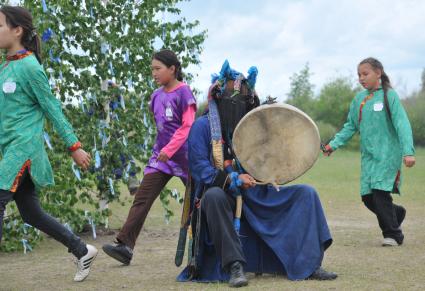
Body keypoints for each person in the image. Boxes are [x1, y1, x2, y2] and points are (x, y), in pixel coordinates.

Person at [177, 60, 337, 288]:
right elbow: (199, 167)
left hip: (259, 192)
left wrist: (275, 166)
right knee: (212, 197)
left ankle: (309, 265)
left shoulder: (257, 126)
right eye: (232, 98)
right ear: (219, 98)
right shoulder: (203, 127)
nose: (237, 104)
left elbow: (272, 160)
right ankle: (234, 266)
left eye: (242, 98)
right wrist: (233, 178)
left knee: (306, 194)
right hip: (224, 195)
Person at [0, 6, 97, 282]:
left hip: (24, 148)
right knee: (31, 213)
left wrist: (74, 146)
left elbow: (52, 108)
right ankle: (81, 250)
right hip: (9, 149)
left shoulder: (30, 66)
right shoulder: (5, 67)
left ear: (17, 31)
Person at [102, 49, 197, 265]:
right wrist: (162, 151)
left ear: (172, 69)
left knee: (198, 202)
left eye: (157, 69)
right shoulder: (155, 96)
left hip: (186, 158)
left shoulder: (184, 93)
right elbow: (161, 128)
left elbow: (187, 125)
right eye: (152, 69)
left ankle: (203, 249)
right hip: (161, 159)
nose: (153, 73)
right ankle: (125, 246)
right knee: (142, 198)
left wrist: (170, 149)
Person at [323, 57, 415, 246]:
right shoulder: (359, 99)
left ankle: (393, 235)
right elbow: (350, 126)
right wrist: (333, 144)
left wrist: (408, 152)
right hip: (369, 158)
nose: (361, 78)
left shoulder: (390, 96)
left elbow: (402, 124)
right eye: (359, 75)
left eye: (365, 74)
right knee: (367, 198)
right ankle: (396, 213)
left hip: (388, 155)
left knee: (380, 194)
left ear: (378, 73)